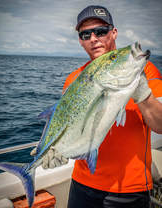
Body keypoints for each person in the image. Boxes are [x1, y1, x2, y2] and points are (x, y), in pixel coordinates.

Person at [63, 5, 162, 208]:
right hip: (81, 183)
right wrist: (56, 149)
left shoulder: (145, 69)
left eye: (100, 31)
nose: (93, 38)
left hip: (128, 189)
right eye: (85, 34)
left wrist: (142, 93)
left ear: (113, 33)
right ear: (81, 41)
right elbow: (67, 126)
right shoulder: (73, 80)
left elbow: (160, 125)